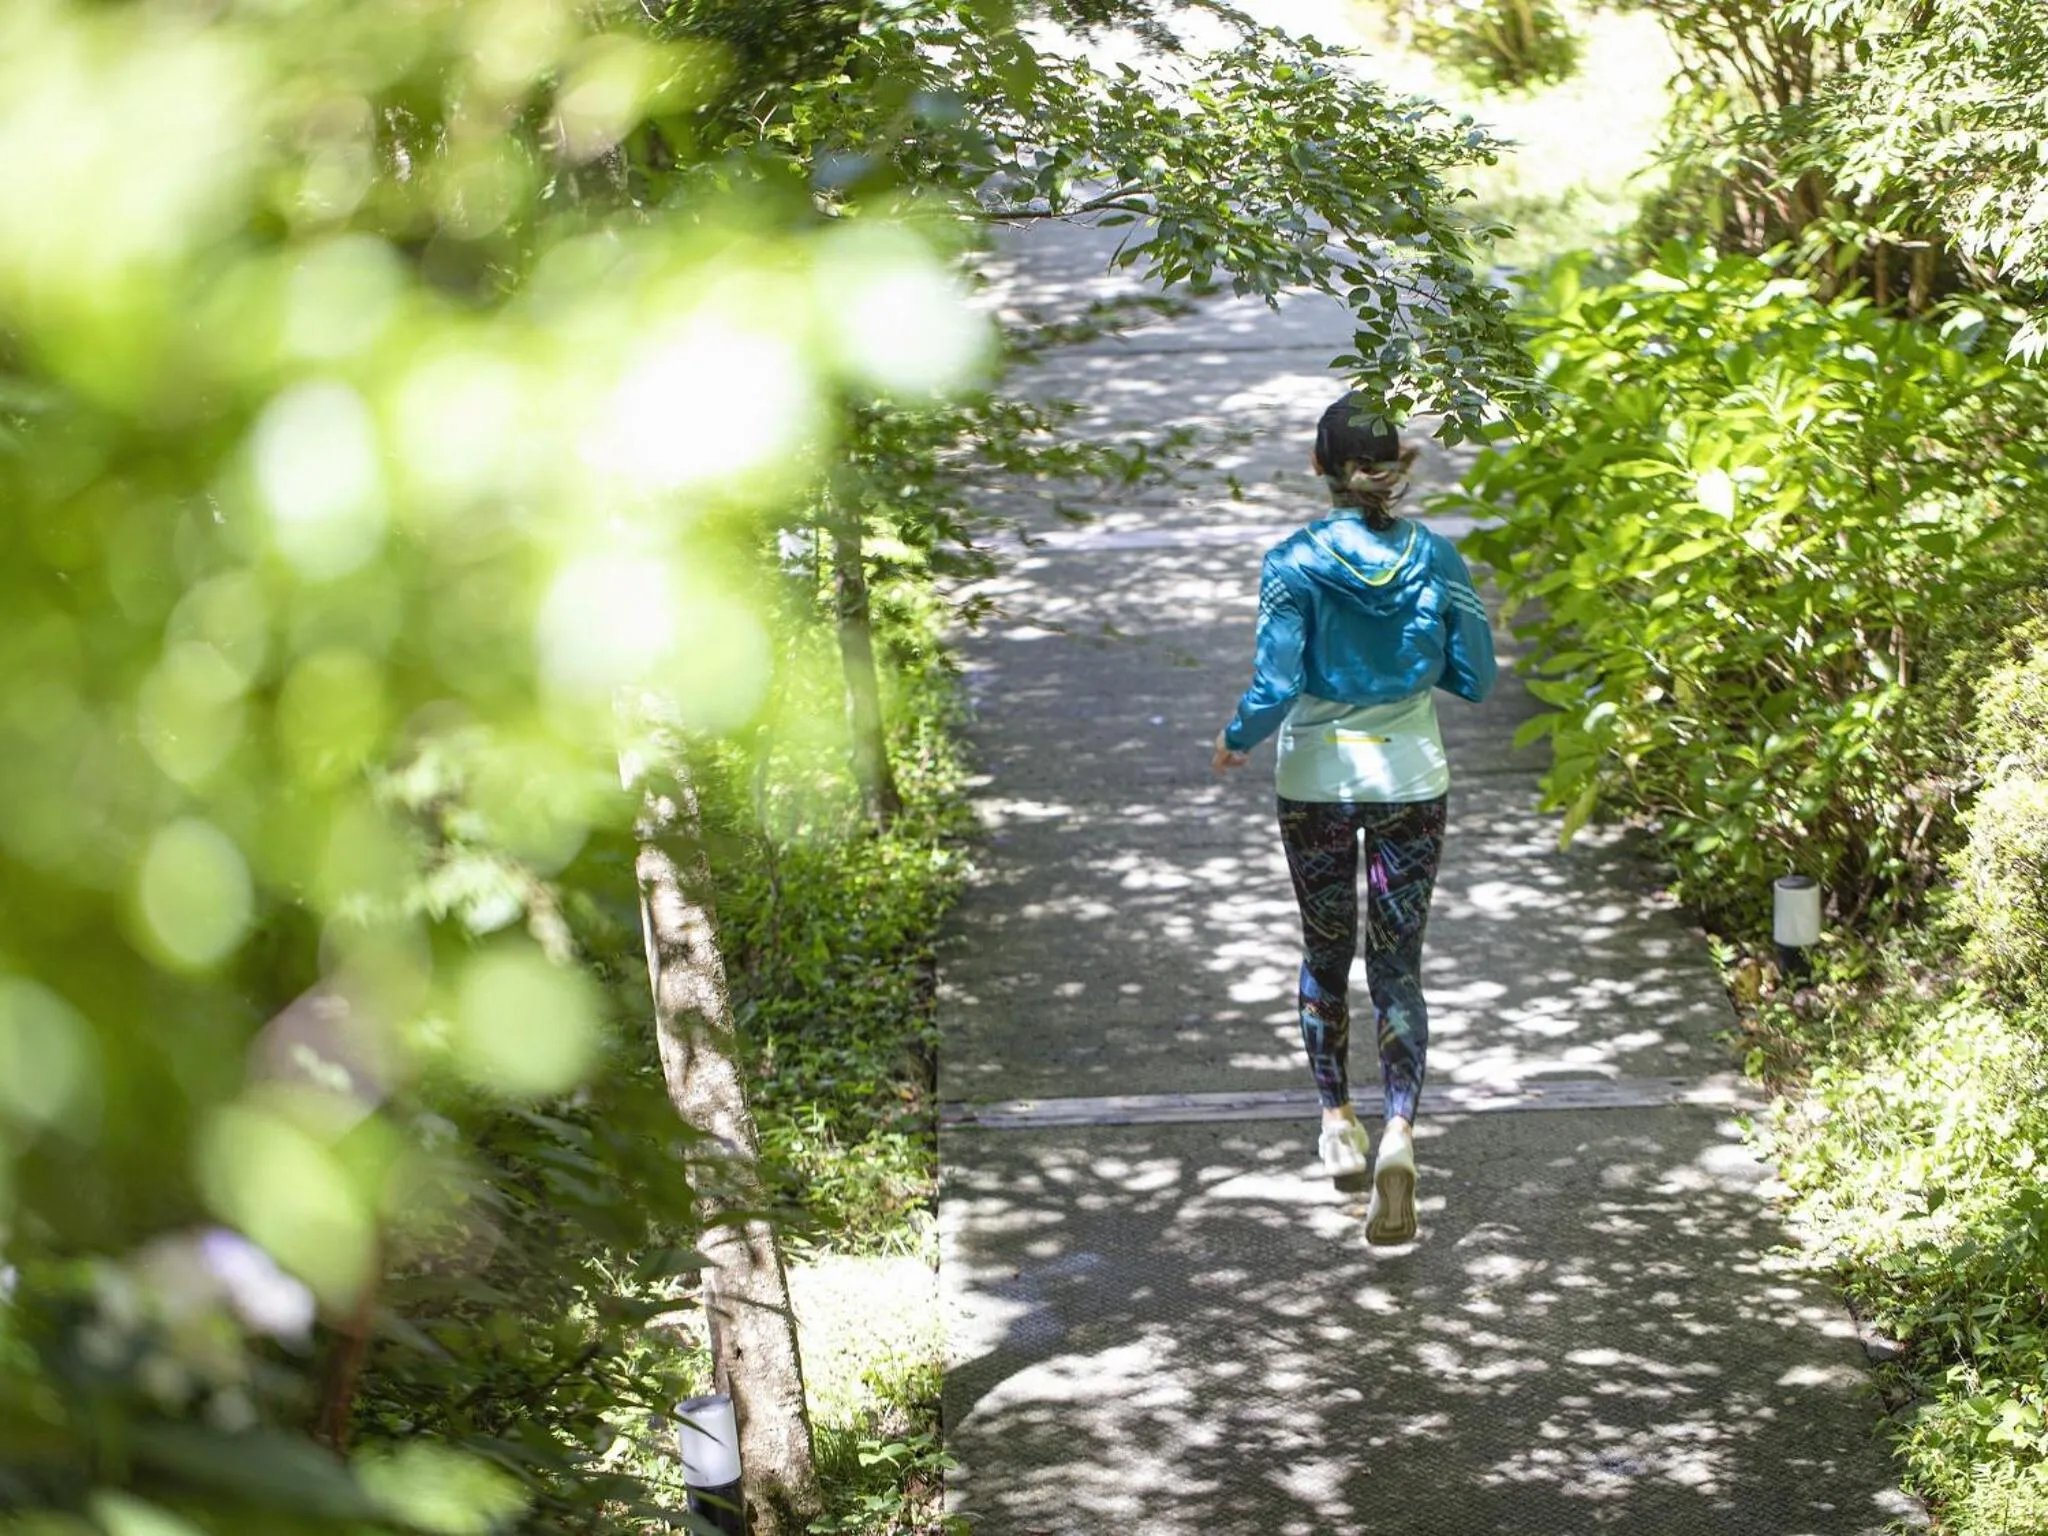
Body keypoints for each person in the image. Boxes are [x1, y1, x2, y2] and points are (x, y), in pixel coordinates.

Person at [1212, 393, 1495, 1245]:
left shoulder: (1292, 562)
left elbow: (1275, 684)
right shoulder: (1436, 556)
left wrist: (1236, 739)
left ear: (1318, 466)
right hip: (1412, 778)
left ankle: (1338, 1123)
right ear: (1397, 467)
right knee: (1398, 966)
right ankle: (1400, 1132)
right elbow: (1476, 674)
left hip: (1316, 782)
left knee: (1326, 954)